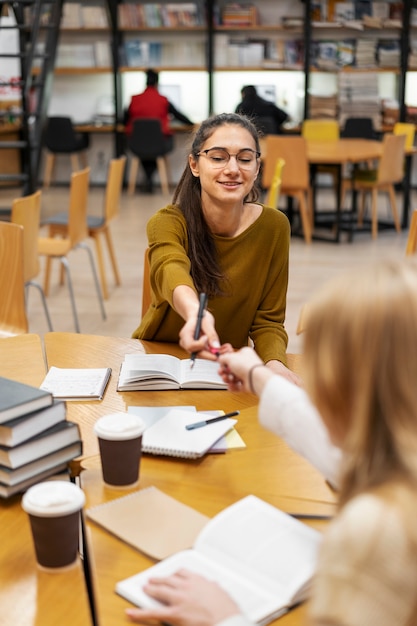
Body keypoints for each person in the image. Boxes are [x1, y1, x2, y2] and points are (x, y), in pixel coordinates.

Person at [126, 258, 417, 626]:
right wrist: (258, 375)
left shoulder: (374, 531)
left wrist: (223, 617)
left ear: (347, 392)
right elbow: (352, 457)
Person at [132, 112, 298, 386]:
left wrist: (275, 363)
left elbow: (268, 321)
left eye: (245, 159)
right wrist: (195, 313)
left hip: (223, 370)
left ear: (257, 167)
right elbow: (169, 267)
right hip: (158, 363)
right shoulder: (168, 221)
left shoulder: (274, 227)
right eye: (218, 157)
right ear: (195, 165)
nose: (233, 169)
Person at [125, 68, 194, 192]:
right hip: (159, 144)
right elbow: (178, 115)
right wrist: (191, 124)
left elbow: (124, 119)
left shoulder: (134, 99)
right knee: (155, 147)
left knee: (145, 148)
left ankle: (148, 179)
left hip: (137, 144)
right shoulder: (163, 100)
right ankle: (149, 179)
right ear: (157, 84)